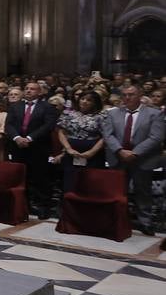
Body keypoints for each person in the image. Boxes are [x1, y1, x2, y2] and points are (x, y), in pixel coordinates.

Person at [101, 84, 163, 232]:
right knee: (117, 191)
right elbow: (108, 135)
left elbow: (156, 137)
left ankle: (145, 222)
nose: (127, 97)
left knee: (143, 191)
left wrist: (134, 153)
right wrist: (120, 150)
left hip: (143, 159)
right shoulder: (112, 113)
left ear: (140, 95)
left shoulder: (154, 113)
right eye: (125, 95)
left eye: (131, 94)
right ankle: (118, 219)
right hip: (118, 157)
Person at [6, 81, 59, 219]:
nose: (29, 91)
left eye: (32, 89)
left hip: (38, 147)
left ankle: (43, 207)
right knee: (21, 178)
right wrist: (17, 138)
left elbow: (48, 126)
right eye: (27, 88)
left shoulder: (47, 107)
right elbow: (9, 125)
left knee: (40, 178)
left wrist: (29, 138)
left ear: (40, 92)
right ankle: (24, 205)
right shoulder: (15, 106)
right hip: (18, 147)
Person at [57, 90, 107, 195]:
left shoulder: (101, 116)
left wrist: (92, 152)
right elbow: (61, 132)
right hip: (71, 152)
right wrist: (68, 149)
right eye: (82, 99)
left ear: (95, 103)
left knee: (90, 184)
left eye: (89, 100)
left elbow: (105, 137)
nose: (84, 102)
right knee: (70, 182)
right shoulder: (68, 114)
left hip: (93, 154)